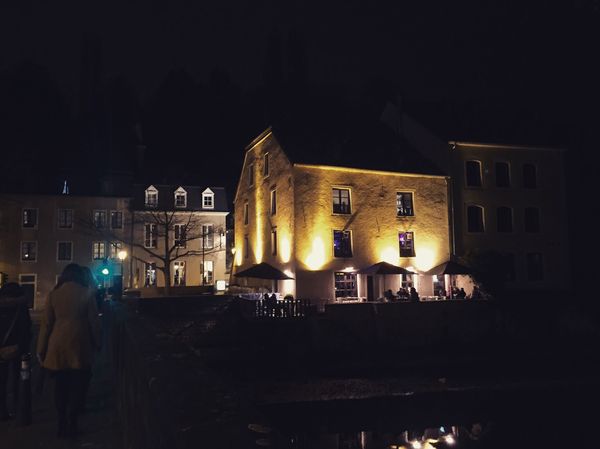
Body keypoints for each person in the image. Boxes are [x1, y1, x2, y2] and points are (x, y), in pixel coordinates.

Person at [37, 264, 101, 438]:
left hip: (57, 344)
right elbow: (94, 321)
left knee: (60, 387)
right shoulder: (86, 293)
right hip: (80, 343)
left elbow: (46, 324)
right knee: (77, 386)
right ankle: (72, 423)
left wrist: (41, 349)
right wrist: (97, 342)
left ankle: (61, 422)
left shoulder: (54, 295)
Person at [0, 283, 32, 421]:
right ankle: (19, 409)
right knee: (18, 380)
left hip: (1, 349)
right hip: (18, 348)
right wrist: (23, 346)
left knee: (1, 381)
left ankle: (2, 411)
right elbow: (26, 328)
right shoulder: (21, 307)